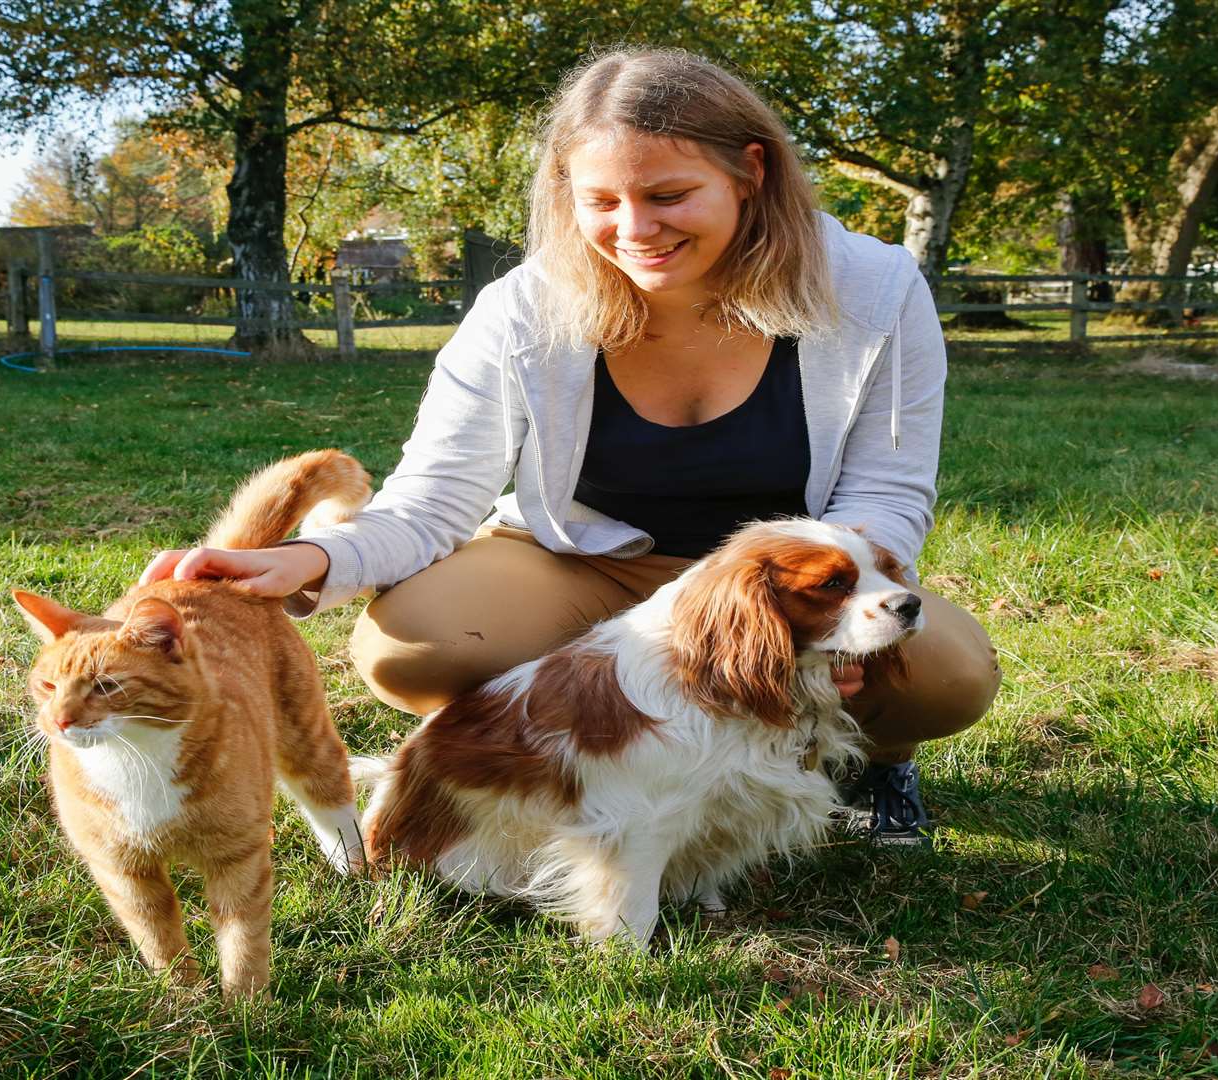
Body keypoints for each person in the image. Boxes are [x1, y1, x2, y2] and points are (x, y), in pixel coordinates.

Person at [140, 48, 1000, 847]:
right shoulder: (520, 310)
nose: (636, 229)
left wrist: (831, 622)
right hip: (583, 563)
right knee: (412, 646)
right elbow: (435, 496)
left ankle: (871, 766)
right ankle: (567, 758)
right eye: (602, 202)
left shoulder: (876, 290)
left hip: (785, 585)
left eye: (668, 196)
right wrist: (305, 560)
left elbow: (886, 496)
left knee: (947, 676)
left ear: (751, 170)